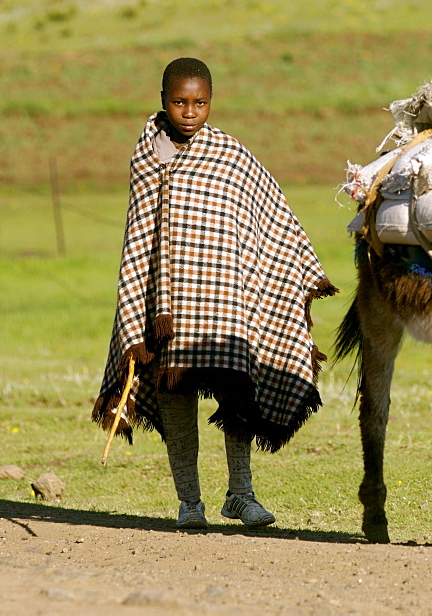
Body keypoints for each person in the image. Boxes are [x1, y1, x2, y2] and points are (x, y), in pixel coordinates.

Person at [92, 57, 337, 530]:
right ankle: (189, 501)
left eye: (200, 102)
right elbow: (139, 239)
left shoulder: (230, 154)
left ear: (211, 102)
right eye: (179, 102)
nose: (189, 111)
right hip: (166, 307)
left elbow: (268, 215)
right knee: (175, 395)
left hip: (227, 303)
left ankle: (241, 495)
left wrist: (296, 271)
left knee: (237, 392)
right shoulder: (147, 158)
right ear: (162, 99)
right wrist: (135, 315)